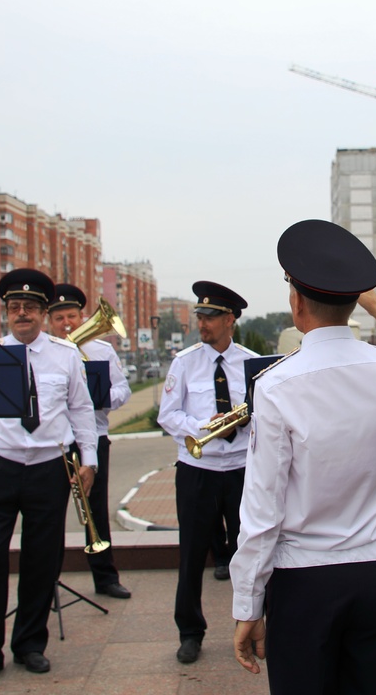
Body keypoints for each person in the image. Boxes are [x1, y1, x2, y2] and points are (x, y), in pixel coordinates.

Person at [231, 219, 376, 695]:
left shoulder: (276, 385)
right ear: (353, 303)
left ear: (296, 302)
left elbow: (262, 507)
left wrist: (248, 604)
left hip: (303, 579)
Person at [0, 268, 97, 678]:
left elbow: (81, 410)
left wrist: (89, 460)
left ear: (43, 312)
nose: (22, 314)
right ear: (6, 313)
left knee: (41, 561)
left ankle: (30, 644)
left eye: (31, 308)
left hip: (48, 468)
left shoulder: (65, 355)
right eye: (15, 308)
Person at [158, 280, 259, 664]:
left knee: (248, 550)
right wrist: (206, 426)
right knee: (192, 553)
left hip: (240, 470)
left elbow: (263, 416)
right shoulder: (184, 363)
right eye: (200, 316)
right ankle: (190, 631)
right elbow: (168, 416)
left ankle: (251, 623)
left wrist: (239, 424)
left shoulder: (250, 362)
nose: (203, 323)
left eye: (211, 317)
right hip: (197, 470)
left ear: (230, 319)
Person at [47, 283, 133, 599]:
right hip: (54, 442)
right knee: (49, 513)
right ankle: (47, 580)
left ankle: (106, 578)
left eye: (72, 316)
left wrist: (99, 398)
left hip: (93, 437)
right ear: (49, 321)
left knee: (95, 510)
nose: (67, 323)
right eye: (59, 318)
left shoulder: (101, 350)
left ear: (82, 316)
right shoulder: (42, 353)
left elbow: (122, 390)